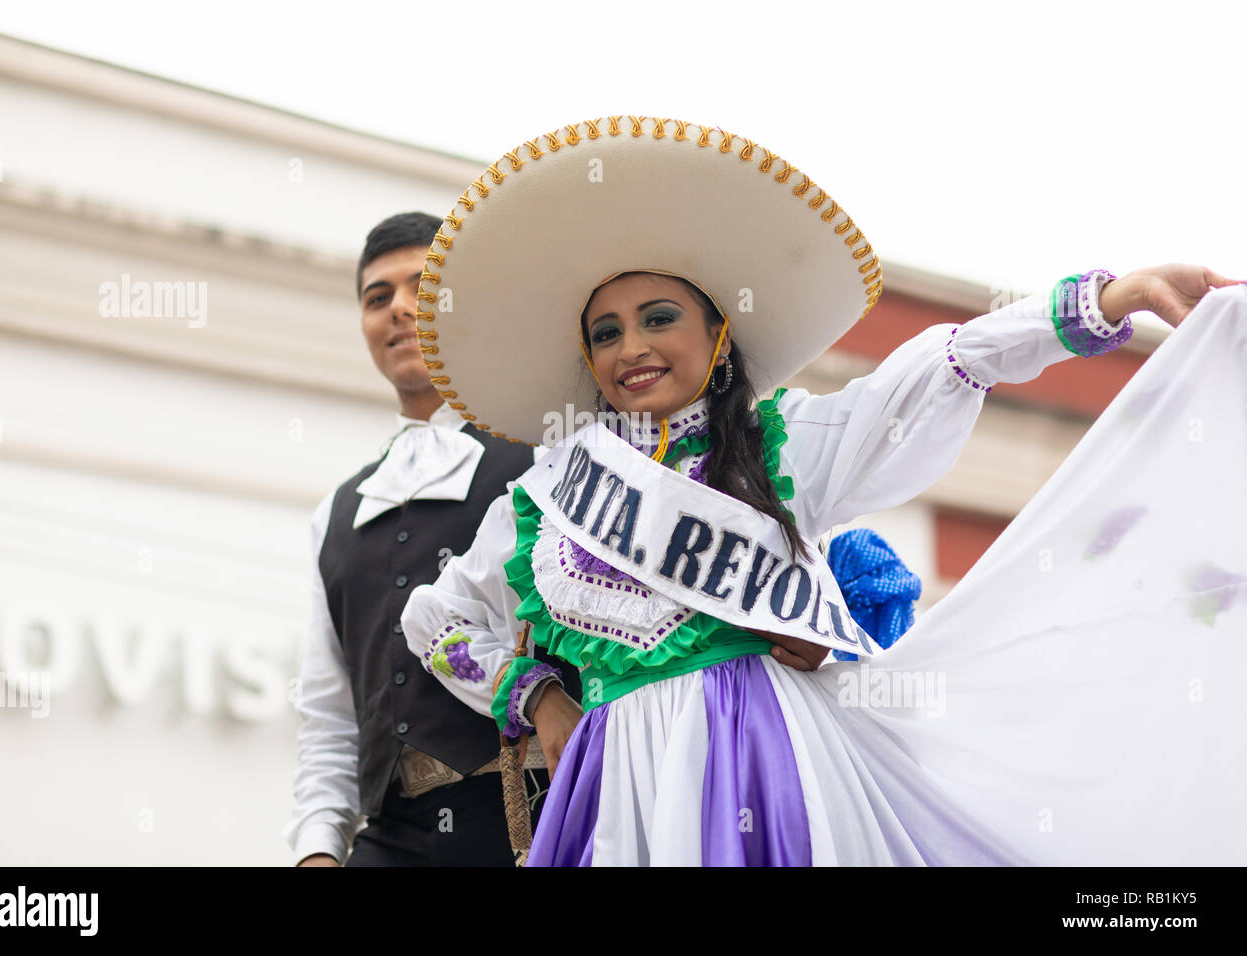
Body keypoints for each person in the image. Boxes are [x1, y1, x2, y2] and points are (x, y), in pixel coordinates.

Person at [399, 116, 1246, 865]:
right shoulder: (549, 493)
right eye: (606, 332)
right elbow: (433, 619)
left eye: (660, 317)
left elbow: (941, 369)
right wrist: (537, 699)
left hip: (759, 757)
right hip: (613, 781)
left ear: (717, 338)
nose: (633, 347)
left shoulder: (782, 443)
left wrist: (1104, 300)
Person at [282, 212, 581, 867]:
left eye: (422, 287)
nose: (397, 309)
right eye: (376, 296)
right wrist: (316, 851)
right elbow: (330, 717)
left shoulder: (547, 458)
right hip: (388, 836)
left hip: (530, 814)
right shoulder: (335, 513)